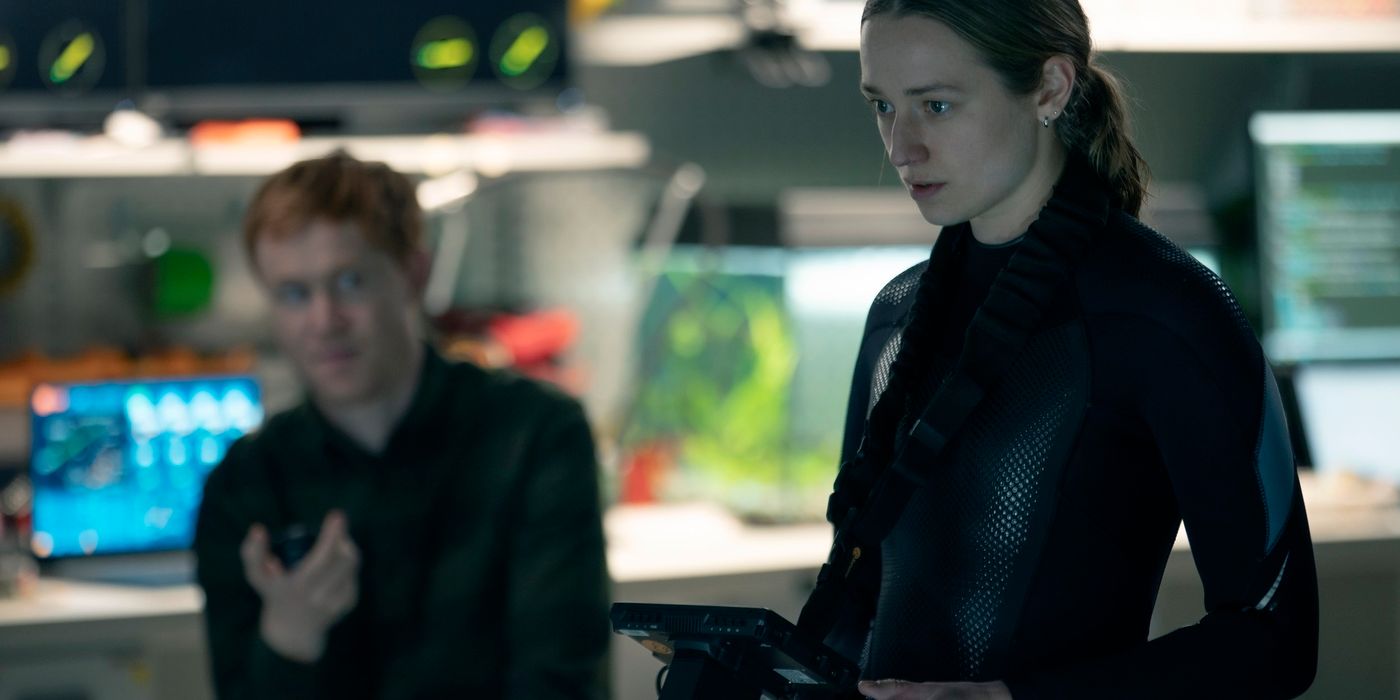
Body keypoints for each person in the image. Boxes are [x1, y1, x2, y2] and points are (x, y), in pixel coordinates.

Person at [809, 1, 1319, 698]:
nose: (902, 148)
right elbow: (852, 612)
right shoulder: (895, 318)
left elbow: (1276, 641)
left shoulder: (1164, 313)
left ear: (1049, 88)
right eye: (883, 106)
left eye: (936, 105)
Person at [193, 151, 611, 699]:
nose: (324, 320)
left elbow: (560, 681)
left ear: (414, 274)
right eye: (294, 293)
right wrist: (289, 637)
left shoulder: (534, 438)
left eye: (350, 282)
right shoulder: (245, 486)